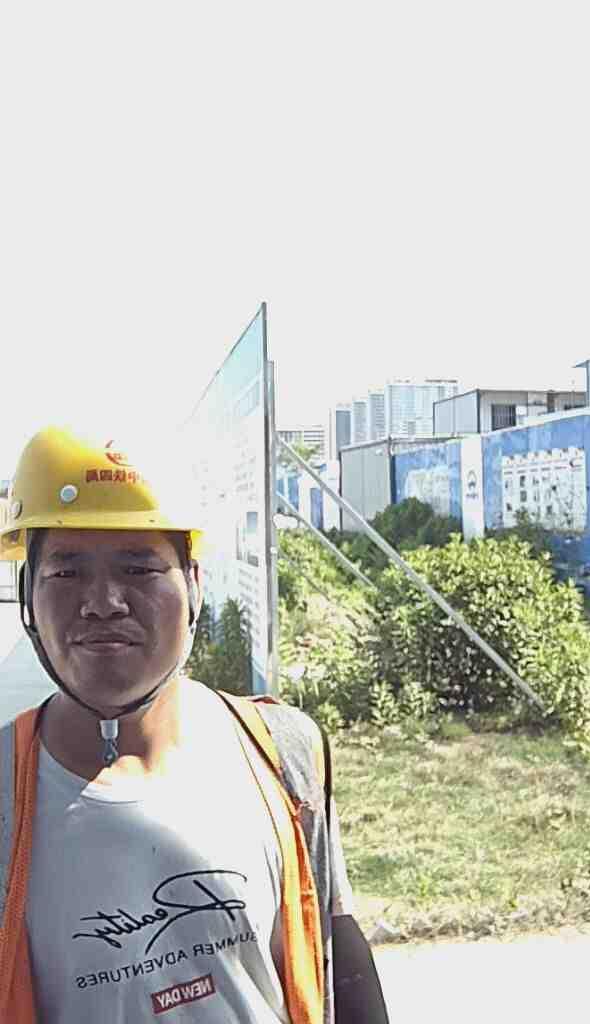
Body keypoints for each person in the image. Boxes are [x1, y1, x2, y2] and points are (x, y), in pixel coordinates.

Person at [0, 426, 389, 1023]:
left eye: (139, 569)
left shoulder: (280, 751)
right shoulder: (5, 793)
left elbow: (339, 956)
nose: (103, 602)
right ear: (28, 593)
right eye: (66, 573)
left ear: (194, 585)